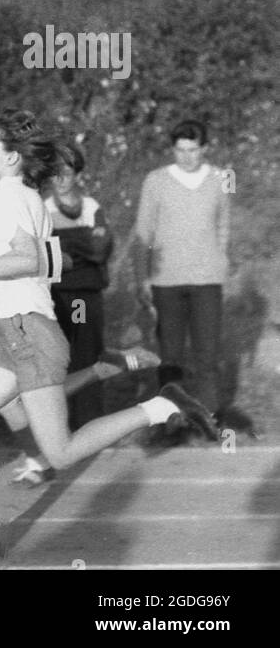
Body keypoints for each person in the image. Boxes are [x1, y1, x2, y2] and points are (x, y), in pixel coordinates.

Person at [0, 110, 218, 559]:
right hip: (13, 333)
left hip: (29, 333)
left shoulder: (11, 198)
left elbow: (26, 260)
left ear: (14, 158)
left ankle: (163, 405)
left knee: (58, 453)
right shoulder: (15, 195)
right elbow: (19, 262)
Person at [0, 176, 160, 488]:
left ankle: (100, 382)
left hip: (37, 316)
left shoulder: (21, 213)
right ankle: (37, 458)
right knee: (14, 401)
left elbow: (57, 261)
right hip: (5, 326)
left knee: (26, 400)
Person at [133, 120, 246, 434]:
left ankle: (207, 419)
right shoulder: (155, 181)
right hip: (165, 281)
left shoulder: (222, 178)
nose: (186, 156)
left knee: (207, 354)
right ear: (173, 149)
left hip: (207, 281)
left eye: (193, 149)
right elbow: (144, 233)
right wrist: (142, 278)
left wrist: (220, 259)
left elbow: (223, 224)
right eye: (180, 150)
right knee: (170, 357)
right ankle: (170, 420)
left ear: (205, 148)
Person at [45, 142, 113, 427]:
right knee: (59, 357)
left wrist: (69, 248)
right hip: (54, 294)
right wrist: (81, 244)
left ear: (77, 175)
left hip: (82, 298)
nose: (61, 180)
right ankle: (61, 423)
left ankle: (88, 421)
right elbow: (47, 255)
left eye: (67, 173)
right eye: (55, 173)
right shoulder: (43, 209)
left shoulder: (91, 207)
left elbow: (99, 251)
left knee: (84, 352)